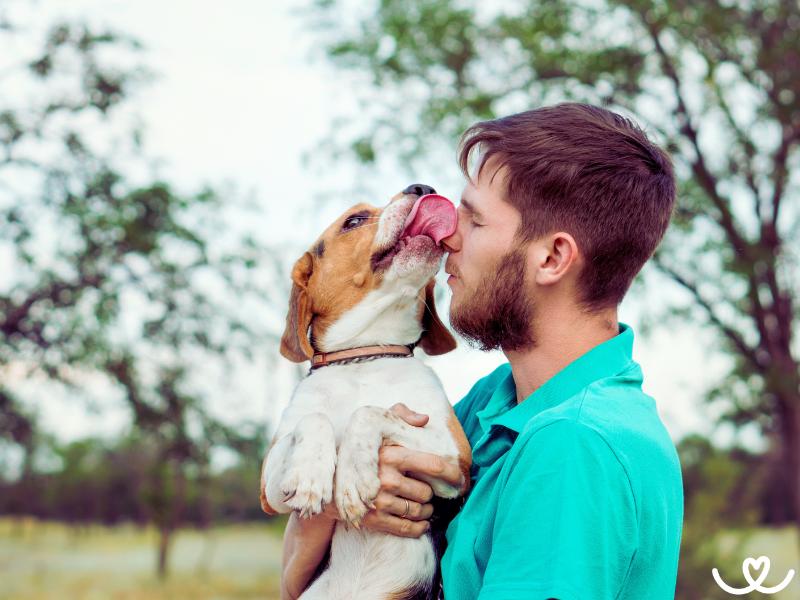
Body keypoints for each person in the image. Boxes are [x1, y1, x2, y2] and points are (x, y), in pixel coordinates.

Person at [280, 103, 684, 600]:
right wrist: (341, 503)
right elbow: (298, 582)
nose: (447, 235)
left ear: (552, 258)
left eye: (475, 221)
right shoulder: (493, 404)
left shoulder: (574, 445)